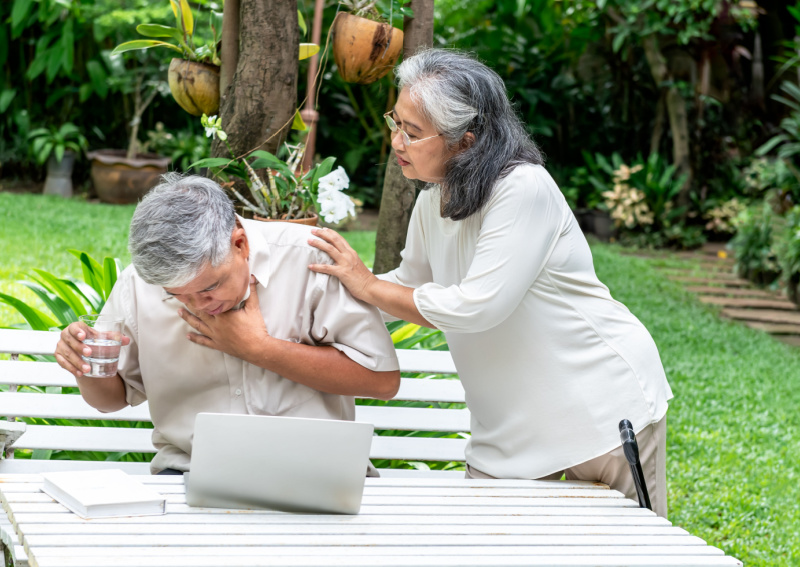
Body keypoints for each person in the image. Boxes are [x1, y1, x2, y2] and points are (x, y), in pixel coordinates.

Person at [308, 49, 673, 517]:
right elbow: (408, 283)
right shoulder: (432, 202)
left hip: (597, 411)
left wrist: (367, 285)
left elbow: (478, 306)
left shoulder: (524, 188)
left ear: (465, 141)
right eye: (395, 123)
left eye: (412, 132)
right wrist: (326, 291)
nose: (396, 141)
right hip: (507, 434)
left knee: (626, 553)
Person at [54, 174, 400, 475]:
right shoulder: (138, 283)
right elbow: (110, 400)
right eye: (177, 295)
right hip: (188, 472)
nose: (198, 305)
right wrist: (84, 364)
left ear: (240, 243)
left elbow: (382, 381)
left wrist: (259, 349)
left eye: (209, 287)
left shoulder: (311, 260)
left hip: (316, 472)